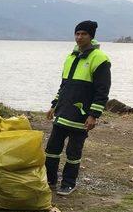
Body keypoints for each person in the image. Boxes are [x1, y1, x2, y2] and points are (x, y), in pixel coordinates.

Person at [45, 20, 111, 196]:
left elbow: (102, 91)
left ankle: (68, 183)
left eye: (84, 34)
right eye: (77, 33)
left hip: (81, 116)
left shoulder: (100, 59)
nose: (79, 37)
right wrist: (54, 105)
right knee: (51, 150)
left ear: (91, 37)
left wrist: (94, 115)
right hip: (62, 112)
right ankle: (49, 180)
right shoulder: (71, 57)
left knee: (73, 152)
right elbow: (64, 85)